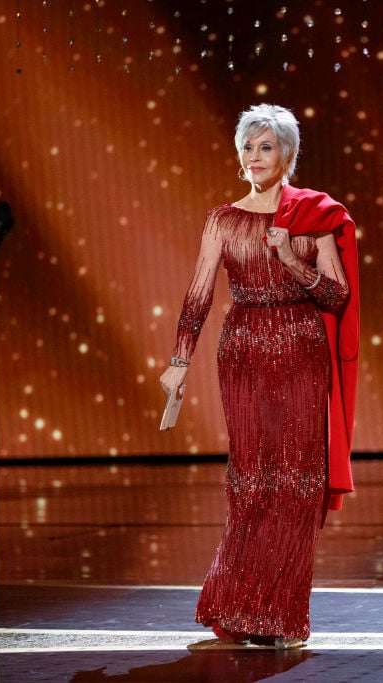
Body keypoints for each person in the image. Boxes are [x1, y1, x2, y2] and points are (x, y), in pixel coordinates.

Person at [159, 104, 360, 649]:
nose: (254, 157)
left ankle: (283, 617)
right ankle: (240, 607)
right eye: (248, 147)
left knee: (295, 482)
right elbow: (198, 296)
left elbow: (338, 296)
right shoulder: (223, 220)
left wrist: (293, 261)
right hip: (243, 350)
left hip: (300, 346)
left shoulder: (314, 215)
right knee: (251, 481)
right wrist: (179, 364)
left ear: (287, 155)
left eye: (265, 147)